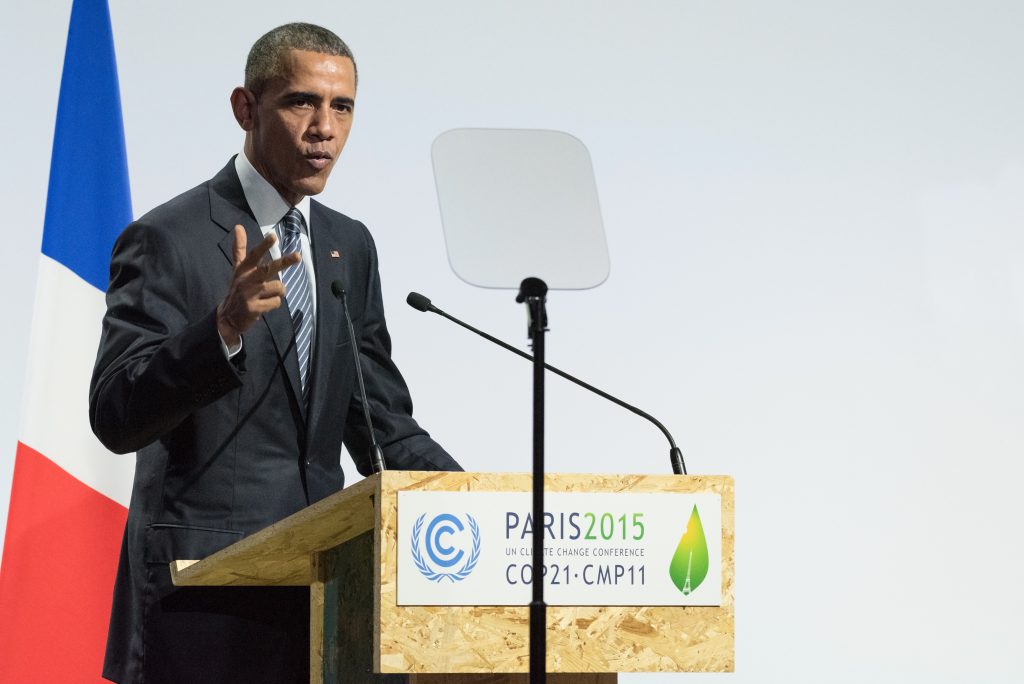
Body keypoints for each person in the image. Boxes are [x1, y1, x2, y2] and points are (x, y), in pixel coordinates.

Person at [89, 23, 459, 684]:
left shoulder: (349, 245)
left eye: (341, 107)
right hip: (204, 602)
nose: (325, 127)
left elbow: (380, 422)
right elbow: (117, 413)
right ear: (246, 108)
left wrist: (474, 500)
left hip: (331, 596)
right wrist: (222, 330)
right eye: (301, 103)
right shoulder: (166, 238)